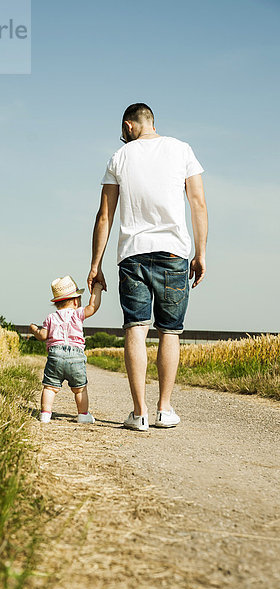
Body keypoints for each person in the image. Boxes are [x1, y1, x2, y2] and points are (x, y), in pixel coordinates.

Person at [87, 103, 208, 431]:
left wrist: (95, 265)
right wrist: (201, 253)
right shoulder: (182, 150)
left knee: (136, 329)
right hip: (174, 253)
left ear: (129, 125)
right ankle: (164, 409)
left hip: (133, 255)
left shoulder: (119, 157)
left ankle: (139, 413)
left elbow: (104, 216)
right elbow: (197, 203)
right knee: (170, 332)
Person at [30, 275, 103, 424]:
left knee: (50, 388)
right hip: (76, 357)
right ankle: (83, 414)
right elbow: (93, 307)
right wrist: (97, 289)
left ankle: (45, 414)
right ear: (76, 301)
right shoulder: (78, 314)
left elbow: (43, 335)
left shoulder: (51, 317)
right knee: (80, 389)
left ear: (57, 303)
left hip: (55, 355)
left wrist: (34, 330)